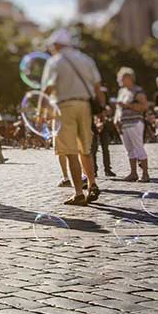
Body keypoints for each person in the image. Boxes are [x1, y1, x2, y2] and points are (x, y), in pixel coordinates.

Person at [40, 29, 104, 206]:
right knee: (85, 149)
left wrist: (41, 112)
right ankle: (92, 184)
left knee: (70, 152)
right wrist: (102, 110)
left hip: (64, 107)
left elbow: (48, 89)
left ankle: (78, 193)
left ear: (57, 45)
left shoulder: (55, 61)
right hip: (84, 105)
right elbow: (97, 87)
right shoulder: (86, 59)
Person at [114, 68, 150, 182]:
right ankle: (133, 173)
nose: (119, 80)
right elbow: (118, 108)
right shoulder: (121, 91)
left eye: (121, 77)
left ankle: (145, 174)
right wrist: (116, 119)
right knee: (129, 149)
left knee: (138, 147)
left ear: (129, 78)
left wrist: (127, 106)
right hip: (123, 123)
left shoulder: (137, 91)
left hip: (135, 122)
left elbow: (144, 106)